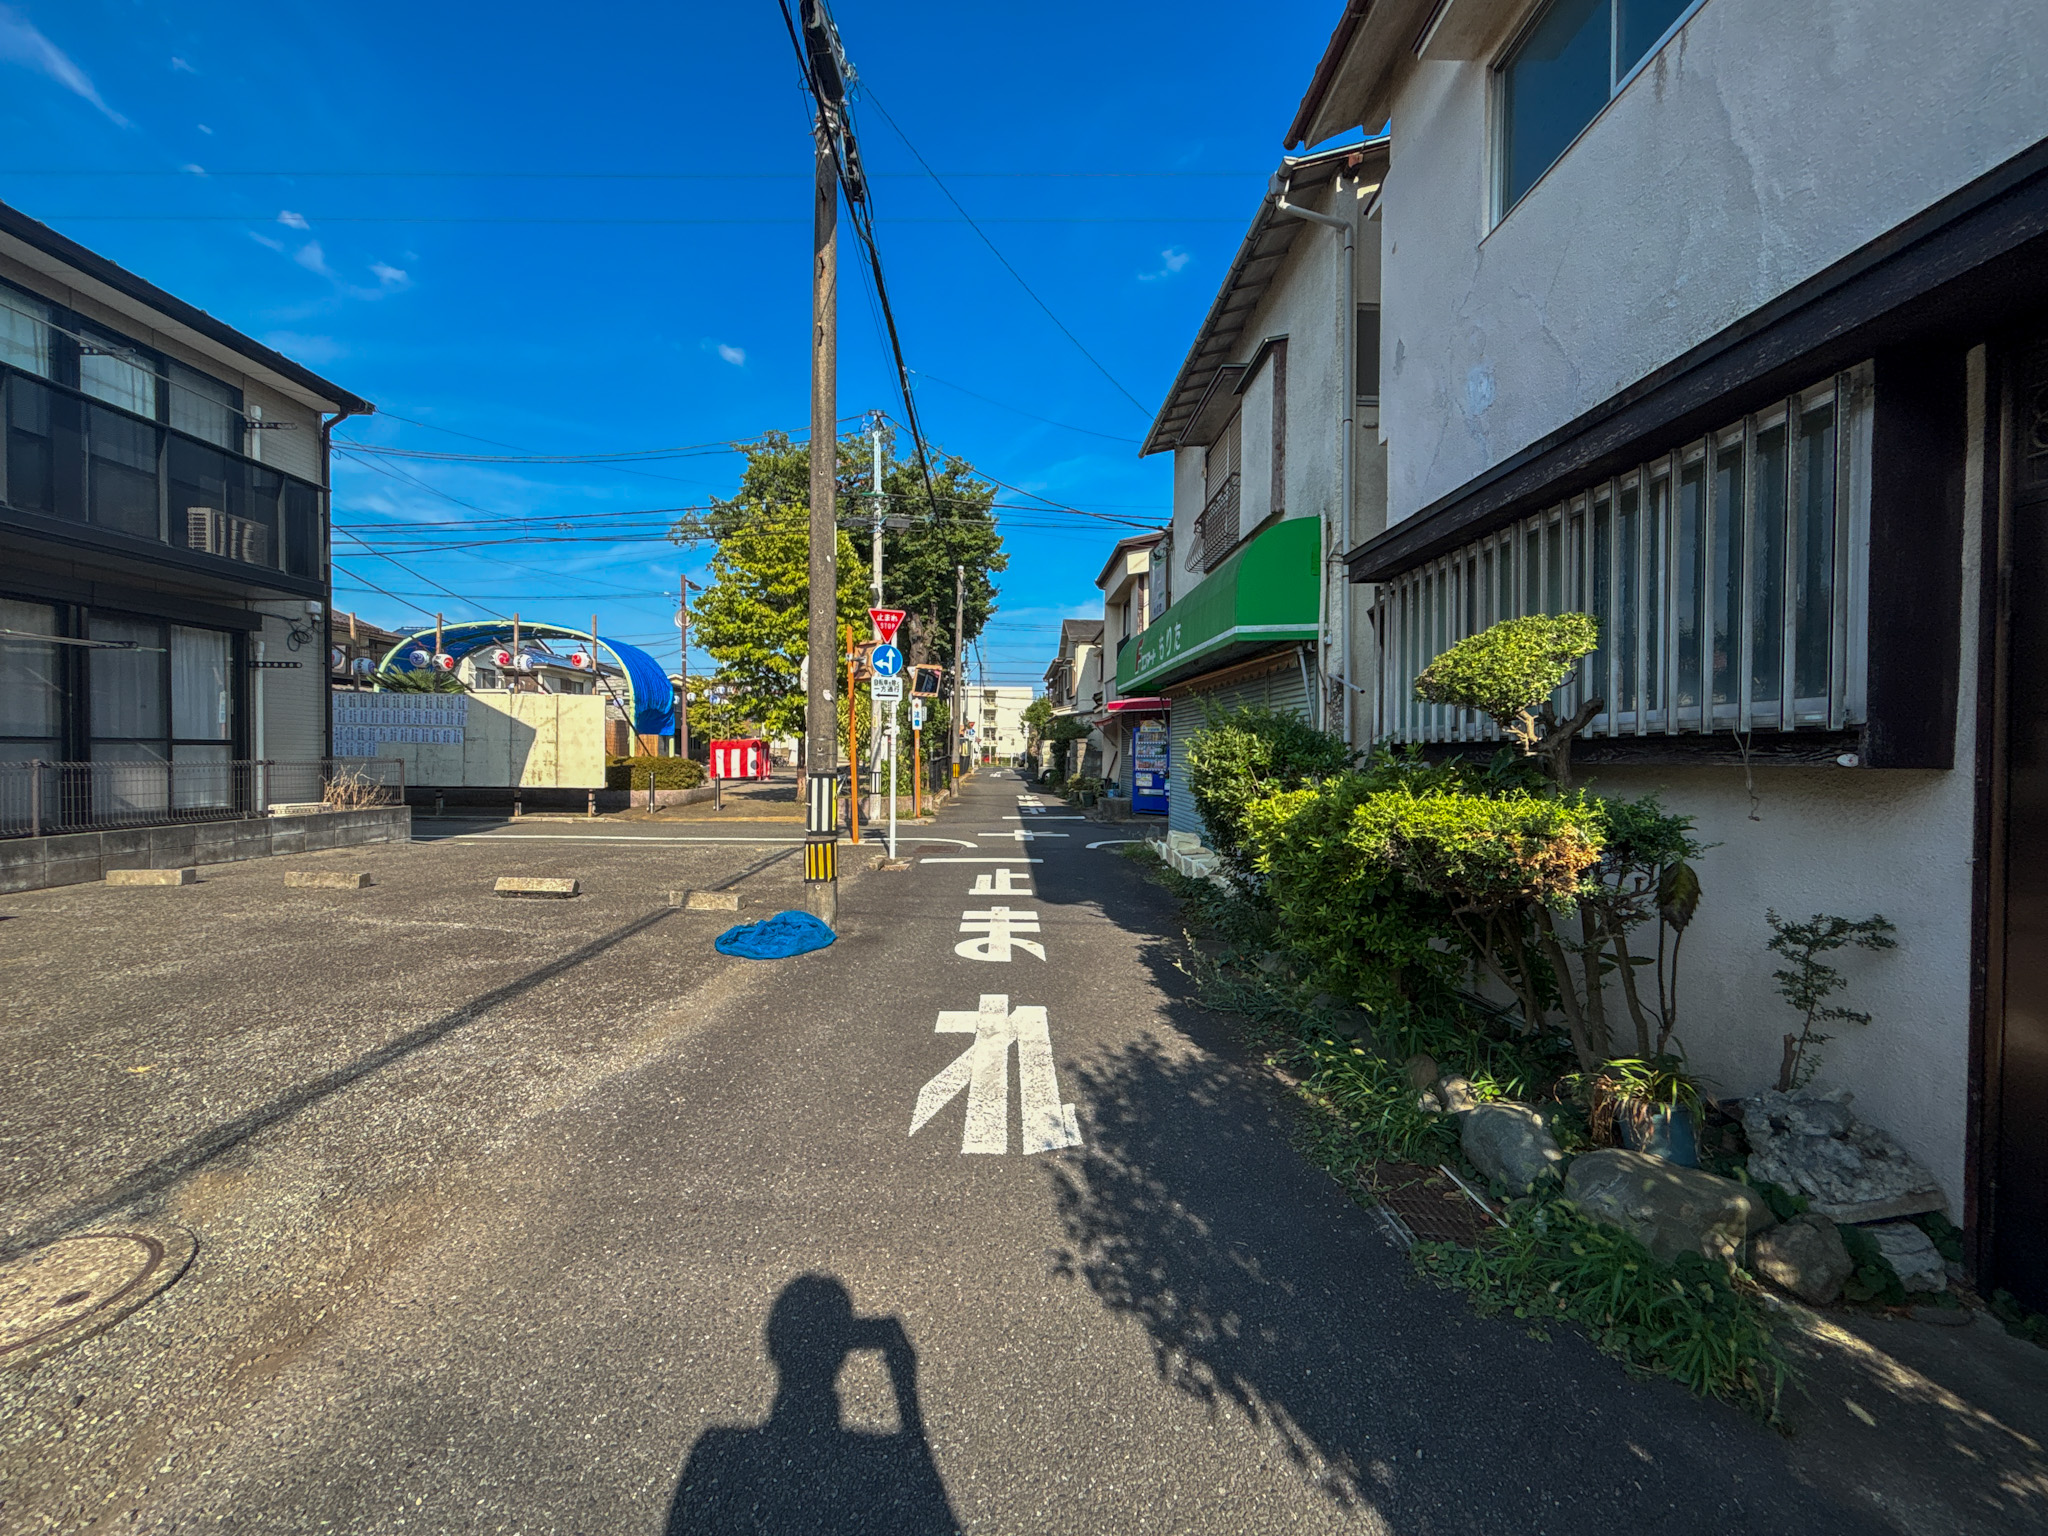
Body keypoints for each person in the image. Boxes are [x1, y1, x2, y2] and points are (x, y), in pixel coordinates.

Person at [666, 1275, 960, 1535]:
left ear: (773, 1346)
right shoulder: (880, 1461)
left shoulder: (718, 1454)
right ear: (843, 1353)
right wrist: (904, 1381)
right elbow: (935, 1516)